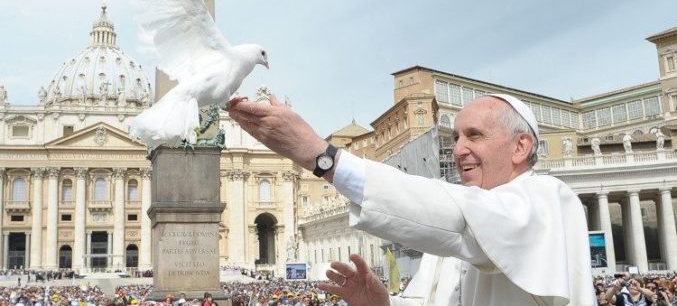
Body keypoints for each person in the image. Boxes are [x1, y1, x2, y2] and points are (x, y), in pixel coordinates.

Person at [228, 93, 594, 305]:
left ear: (520, 146)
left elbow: (460, 217)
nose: (459, 149)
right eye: (456, 138)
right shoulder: (454, 240)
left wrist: (324, 158)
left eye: (475, 135)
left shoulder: (549, 200)